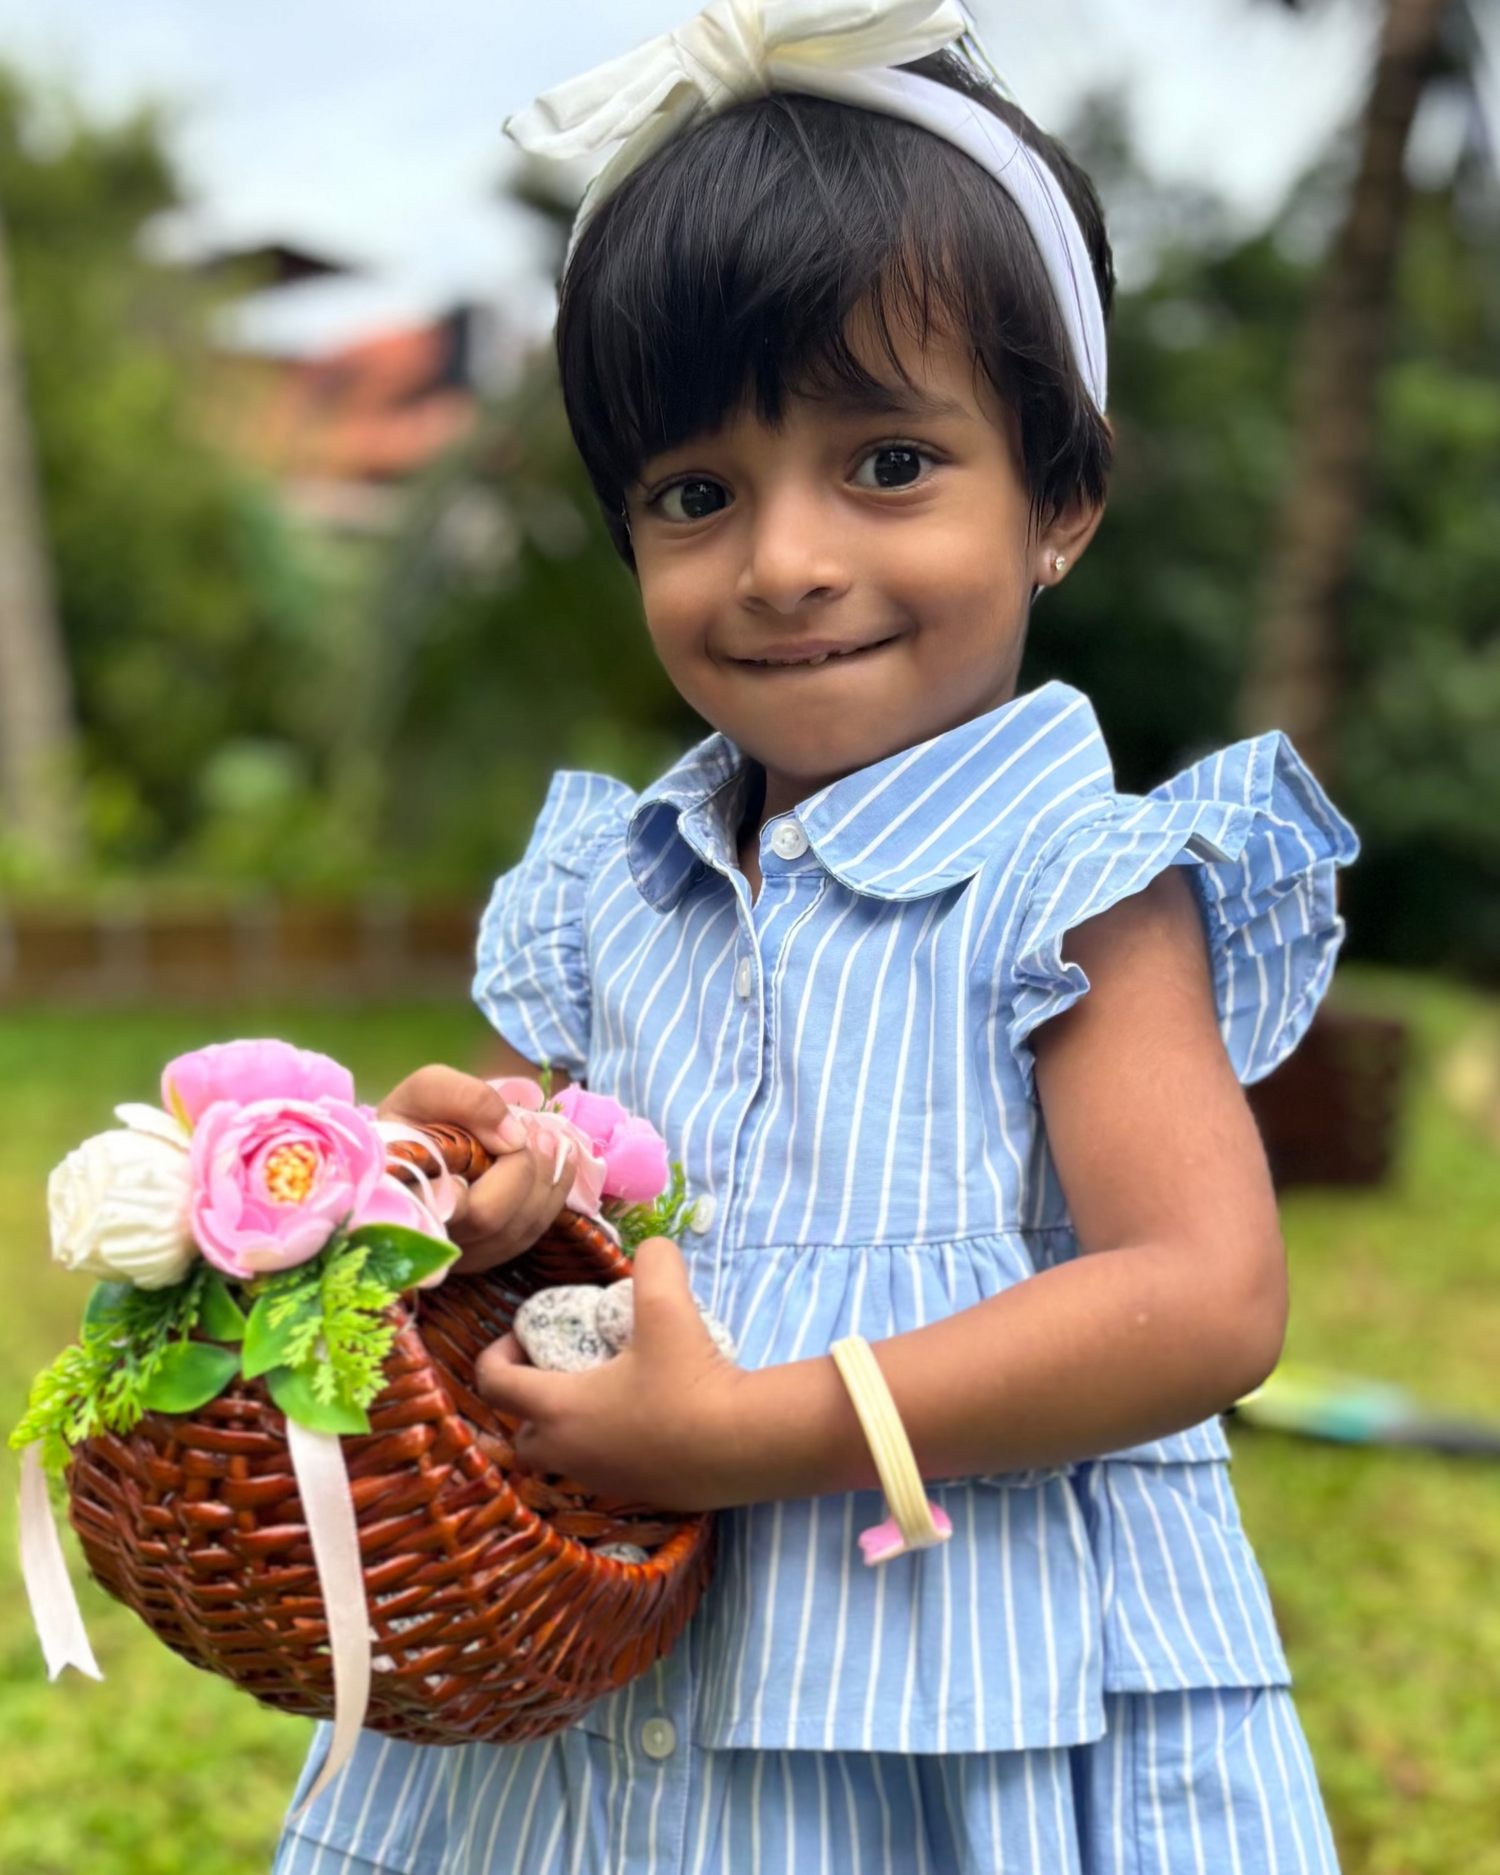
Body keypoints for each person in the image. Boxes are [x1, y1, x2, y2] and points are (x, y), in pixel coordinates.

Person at [275, 2, 1355, 1868]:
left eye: (888, 464)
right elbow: (610, 1202)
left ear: (1062, 500)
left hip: (965, 1693)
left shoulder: (1075, 876)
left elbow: (1202, 1295)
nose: (781, 558)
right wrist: (499, 1178)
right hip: (606, 1670)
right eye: (697, 494)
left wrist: (757, 1426)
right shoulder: (621, 878)